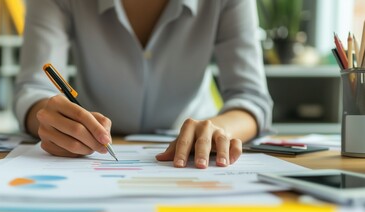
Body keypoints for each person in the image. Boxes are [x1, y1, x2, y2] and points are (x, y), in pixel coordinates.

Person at [14, 0, 273, 169]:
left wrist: (219, 130)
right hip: (88, 144)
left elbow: (251, 97)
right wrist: (51, 121)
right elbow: (33, 89)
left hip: (193, 148)